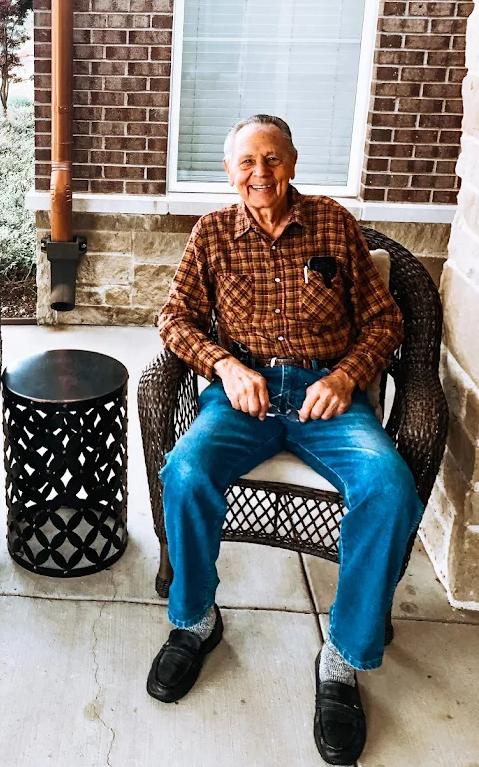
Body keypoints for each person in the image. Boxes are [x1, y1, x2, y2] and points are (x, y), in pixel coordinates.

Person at [146, 114, 421, 765]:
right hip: (244, 395)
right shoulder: (212, 233)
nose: (259, 174)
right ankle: (194, 620)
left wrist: (349, 375)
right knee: (183, 472)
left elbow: (386, 321)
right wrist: (224, 366)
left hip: (329, 395)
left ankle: (342, 657)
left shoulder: (332, 223)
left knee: (388, 486)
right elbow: (173, 318)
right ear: (228, 170)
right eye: (246, 162)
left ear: (292, 162)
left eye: (271, 160)